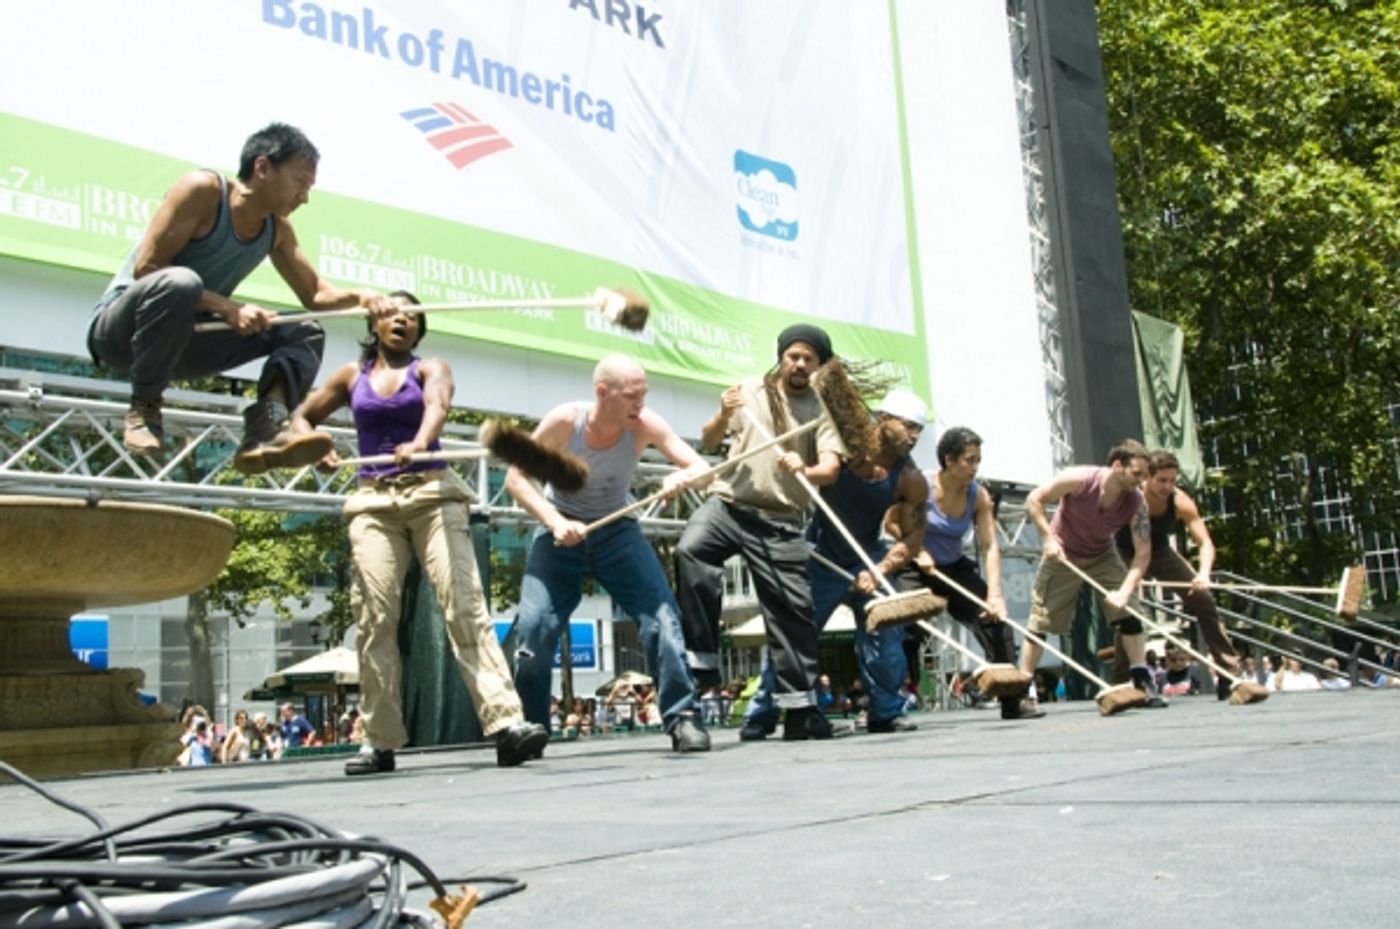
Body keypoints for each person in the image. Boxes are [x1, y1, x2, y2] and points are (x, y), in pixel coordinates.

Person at [288, 292, 548, 775]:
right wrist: (311, 444)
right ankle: (379, 741)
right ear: (374, 319)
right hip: (373, 501)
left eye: (412, 314)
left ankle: (508, 725)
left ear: (419, 328)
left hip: (432, 493)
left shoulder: (431, 368)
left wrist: (422, 441)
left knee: (463, 605)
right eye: (392, 312)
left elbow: (438, 404)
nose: (402, 318)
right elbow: (301, 416)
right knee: (375, 618)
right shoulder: (351, 375)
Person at [86, 122, 394, 468]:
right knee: (180, 282)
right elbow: (149, 267)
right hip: (122, 332)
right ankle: (144, 406)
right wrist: (227, 307)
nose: (304, 197)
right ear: (262, 167)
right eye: (299, 183)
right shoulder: (202, 190)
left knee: (303, 328)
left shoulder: (276, 228)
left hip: (186, 343)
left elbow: (315, 294)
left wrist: (363, 296)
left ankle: (267, 427)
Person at [506, 354, 713, 753]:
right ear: (603, 393)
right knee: (533, 627)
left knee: (663, 618)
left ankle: (683, 717)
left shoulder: (646, 424)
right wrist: (553, 520)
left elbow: (705, 470)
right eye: (633, 396)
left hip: (616, 533)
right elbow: (517, 478)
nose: (640, 403)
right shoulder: (566, 422)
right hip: (560, 530)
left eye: (644, 394)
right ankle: (530, 728)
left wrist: (682, 475)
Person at [675, 324, 845, 741]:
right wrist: (721, 411)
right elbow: (711, 439)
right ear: (782, 357)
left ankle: (801, 710)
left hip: (781, 519)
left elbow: (831, 469)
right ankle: (703, 660)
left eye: (808, 358)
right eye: (794, 356)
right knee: (690, 550)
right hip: (729, 504)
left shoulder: (823, 411)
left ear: (819, 366)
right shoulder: (750, 390)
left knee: (793, 612)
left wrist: (804, 469)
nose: (800, 364)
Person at [740, 387, 928, 736]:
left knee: (886, 632)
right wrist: (802, 468)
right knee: (795, 635)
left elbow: (913, 539)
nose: (915, 436)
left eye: (919, 429)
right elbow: (800, 474)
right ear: (883, 420)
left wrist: (879, 570)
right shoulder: (840, 453)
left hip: (868, 556)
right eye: (908, 426)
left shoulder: (909, 478)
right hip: (822, 554)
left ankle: (886, 712)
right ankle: (760, 715)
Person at [899, 426, 1041, 721]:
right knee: (904, 626)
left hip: (953, 567)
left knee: (996, 623)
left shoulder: (978, 495)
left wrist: (995, 594)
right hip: (915, 563)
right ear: (949, 460)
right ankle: (893, 700)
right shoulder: (920, 485)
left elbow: (990, 546)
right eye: (969, 460)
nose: (975, 467)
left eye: (978, 460)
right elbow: (892, 524)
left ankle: (1011, 701)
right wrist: (918, 552)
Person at [1018, 439, 1165, 709]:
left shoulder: (1136, 501)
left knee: (1130, 612)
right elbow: (1034, 500)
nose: (1142, 482)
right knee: (1041, 621)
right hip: (1063, 553)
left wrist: (1124, 592)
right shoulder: (1079, 479)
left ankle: (1142, 680)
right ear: (1117, 466)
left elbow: (1143, 553)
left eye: (1145, 476)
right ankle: (1023, 688)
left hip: (1102, 555)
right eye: (1137, 474)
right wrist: (1048, 539)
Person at [1108, 451, 1243, 700]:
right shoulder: (1129, 498)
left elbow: (1205, 543)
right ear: (1146, 478)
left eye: (1172, 481)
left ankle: (1230, 675)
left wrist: (1203, 574)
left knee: (1203, 600)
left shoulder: (1180, 501)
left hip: (1159, 551)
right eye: (1161, 480)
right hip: (1125, 552)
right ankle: (1122, 682)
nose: (1167, 487)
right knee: (1128, 610)